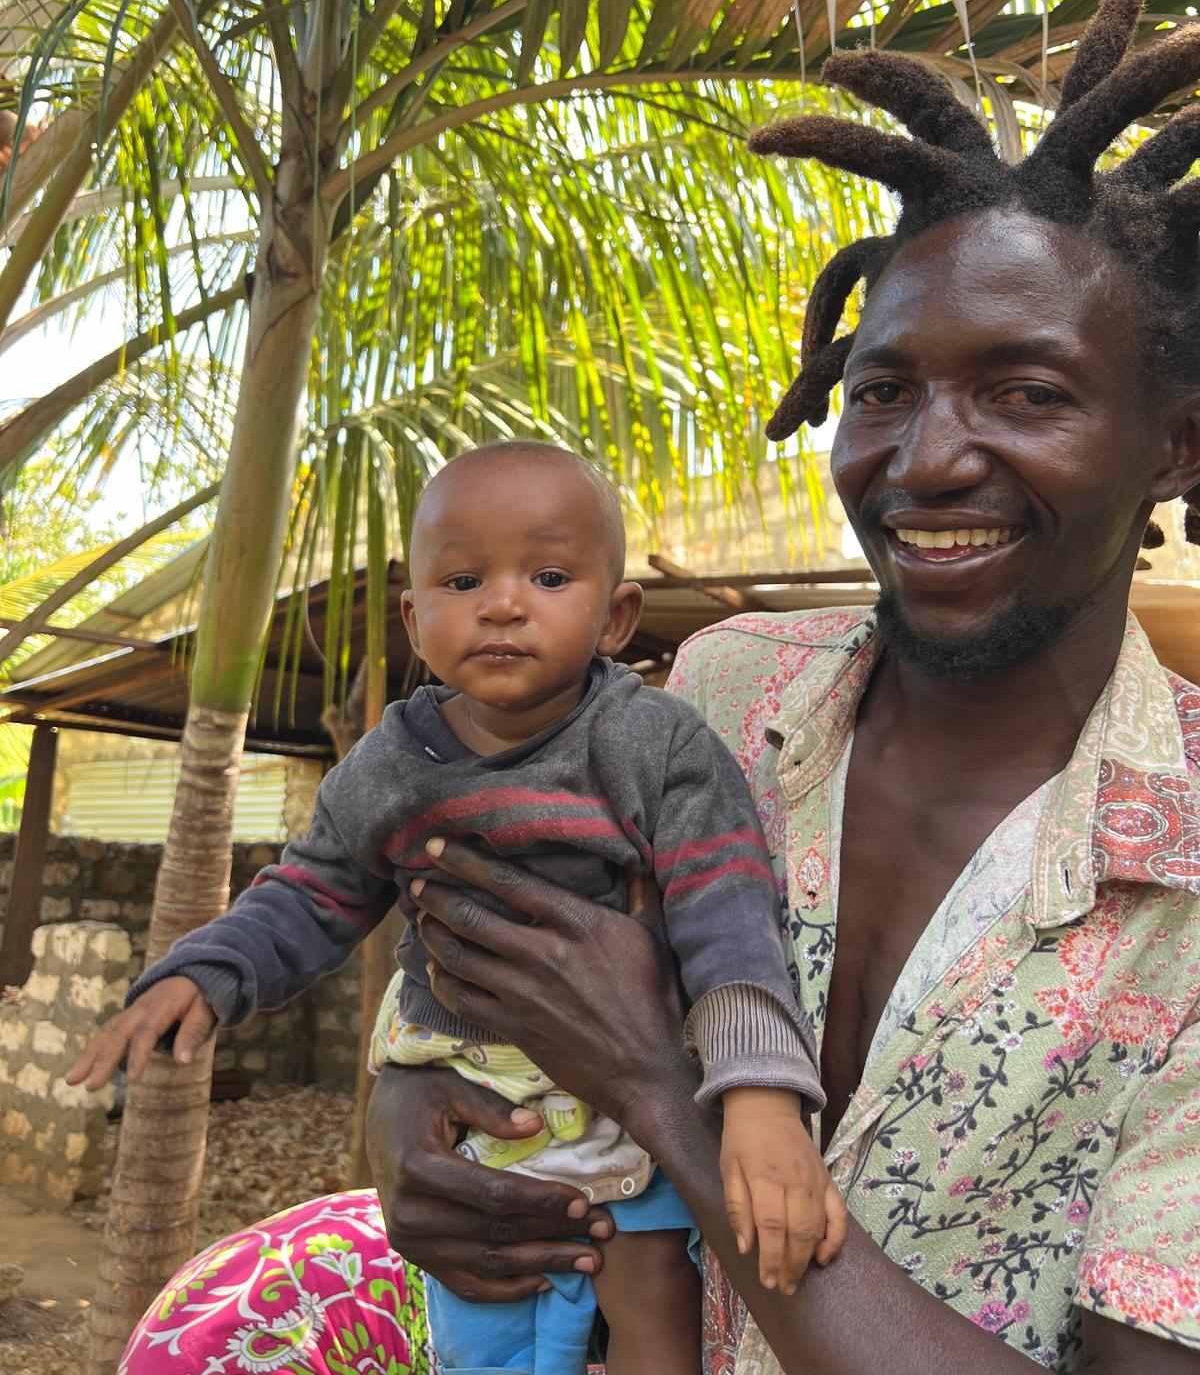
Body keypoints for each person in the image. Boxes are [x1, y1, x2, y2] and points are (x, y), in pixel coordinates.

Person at [116, 0, 1200, 1375]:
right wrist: (410, 1123)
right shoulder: (719, 693)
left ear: (1174, 446)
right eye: (882, 391)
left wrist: (663, 1086)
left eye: (1029, 393)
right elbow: (484, 951)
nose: (926, 459)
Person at [74, 441, 843, 1375]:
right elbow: (313, 891)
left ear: (616, 616)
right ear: (415, 617)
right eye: (464, 579)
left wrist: (760, 1100)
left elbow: (727, 911)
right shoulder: (392, 767)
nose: (503, 604)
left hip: (632, 1096)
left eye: (549, 577)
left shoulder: (654, 744)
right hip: (472, 1106)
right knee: (483, 1316)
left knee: (650, 1296)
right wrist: (206, 971)